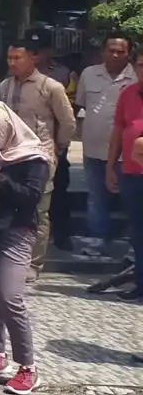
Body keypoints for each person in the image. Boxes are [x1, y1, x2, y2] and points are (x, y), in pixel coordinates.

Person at [0, 101, 53, 395]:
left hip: (14, 231)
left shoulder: (34, 159)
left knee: (9, 297)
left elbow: (29, 196)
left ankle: (28, 366)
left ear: (5, 130)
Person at [0, 35, 73, 269]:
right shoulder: (5, 86)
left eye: (17, 58)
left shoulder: (51, 87)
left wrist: (58, 148)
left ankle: (33, 264)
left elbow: (68, 122)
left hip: (40, 157)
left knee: (39, 212)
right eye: (9, 58)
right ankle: (9, 261)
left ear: (34, 57)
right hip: (11, 156)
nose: (12, 62)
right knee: (9, 208)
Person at [74, 35, 134, 260]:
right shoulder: (88, 75)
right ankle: (97, 240)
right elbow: (81, 108)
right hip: (94, 148)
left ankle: (133, 245)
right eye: (111, 50)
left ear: (129, 54)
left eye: (121, 51)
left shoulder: (136, 76)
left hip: (128, 153)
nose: (115, 54)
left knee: (132, 199)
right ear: (103, 52)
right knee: (96, 197)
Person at [104, 58, 143, 297]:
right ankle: (140, 283)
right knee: (137, 232)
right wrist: (110, 166)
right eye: (141, 65)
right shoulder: (128, 93)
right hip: (131, 172)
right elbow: (119, 130)